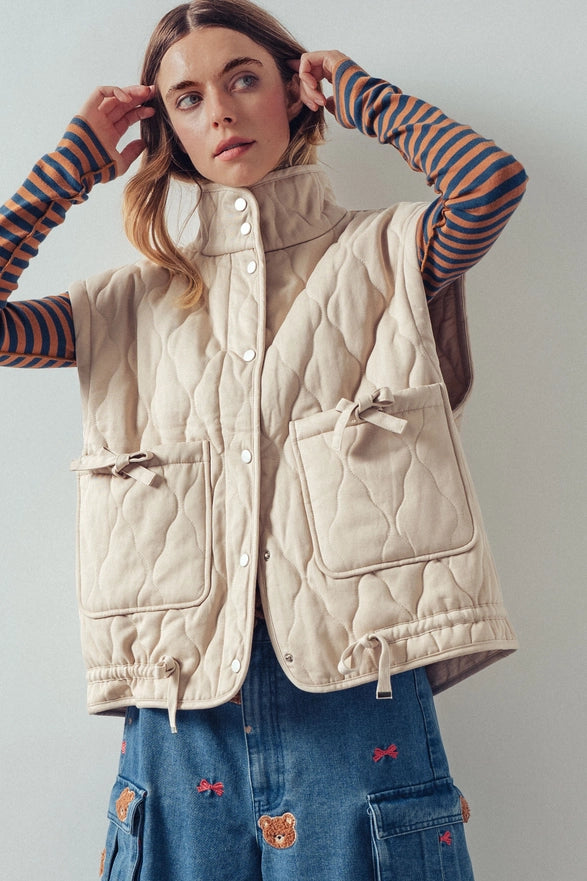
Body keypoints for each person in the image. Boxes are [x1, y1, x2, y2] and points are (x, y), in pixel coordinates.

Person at [0, 1, 527, 878]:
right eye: (187, 97)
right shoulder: (122, 308)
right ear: (165, 127)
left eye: (243, 79)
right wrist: (71, 168)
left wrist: (359, 94)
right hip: (181, 715)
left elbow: (489, 183)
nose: (221, 112)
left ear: (291, 92)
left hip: (363, 686)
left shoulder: (389, 252)